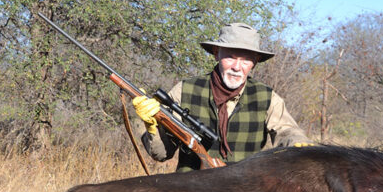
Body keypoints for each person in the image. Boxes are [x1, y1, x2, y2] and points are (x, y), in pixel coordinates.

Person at [132, 22, 311, 171]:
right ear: (217, 54)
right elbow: (161, 154)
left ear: (255, 63)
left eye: (246, 60)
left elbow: (287, 131)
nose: (237, 67)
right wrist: (152, 125)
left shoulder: (267, 97)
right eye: (231, 57)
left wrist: (299, 144)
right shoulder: (184, 90)